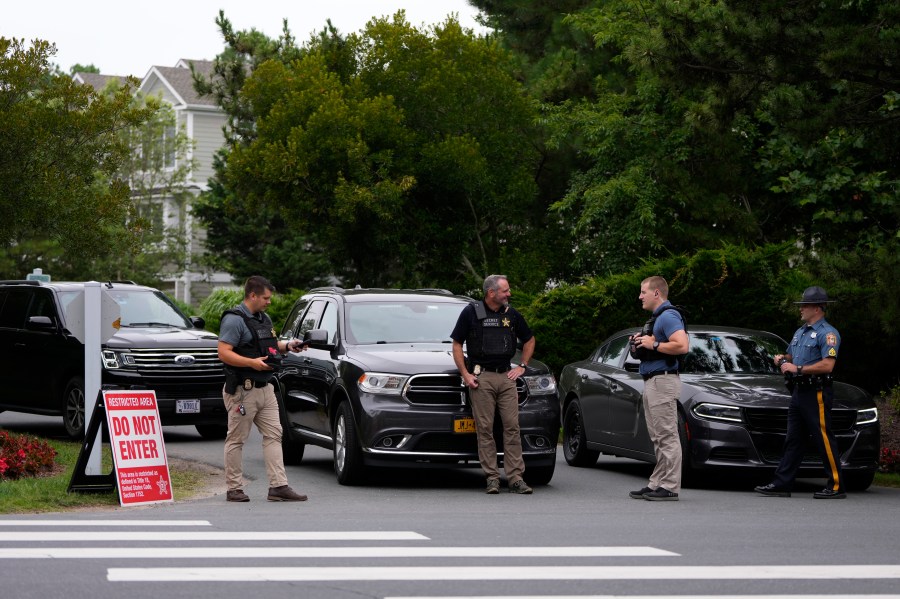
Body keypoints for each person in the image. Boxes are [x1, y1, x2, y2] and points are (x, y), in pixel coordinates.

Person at [217, 275, 308, 502]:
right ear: (253, 295)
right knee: (237, 439)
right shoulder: (234, 319)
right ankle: (234, 489)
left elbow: (267, 346)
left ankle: (278, 486)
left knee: (274, 435)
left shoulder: (262, 318)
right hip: (243, 389)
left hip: (265, 388)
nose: (269, 302)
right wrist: (252, 363)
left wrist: (288, 346)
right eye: (266, 298)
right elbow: (224, 352)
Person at [755, 286, 845, 499]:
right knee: (793, 439)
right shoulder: (800, 331)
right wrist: (784, 360)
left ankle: (836, 485)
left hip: (817, 392)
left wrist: (798, 369)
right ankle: (782, 483)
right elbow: (794, 357)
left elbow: (827, 365)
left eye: (804, 305)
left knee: (823, 437)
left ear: (818, 308)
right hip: (799, 392)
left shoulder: (828, 334)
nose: (801, 309)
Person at [451, 275, 535, 494]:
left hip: (507, 376)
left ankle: (516, 478)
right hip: (482, 377)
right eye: (505, 291)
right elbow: (457, 343)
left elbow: (529, 339)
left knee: (512, 427)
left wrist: (522, 366)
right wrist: (465, 374)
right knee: (485, 429)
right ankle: (492, 478)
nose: (509, 294)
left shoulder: (511, 314)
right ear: (491, 293)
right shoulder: (471, 312)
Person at [628, 276, 689, 501]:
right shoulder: (657, 319)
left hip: (663, 381)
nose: (640, 296)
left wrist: (652, 344)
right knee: (658, 436)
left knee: (667, 435)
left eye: (643, 292)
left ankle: (670, 486)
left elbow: (682, 345)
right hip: (653, 380)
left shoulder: (669, 315)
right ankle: (657, 483)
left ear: (656, 293)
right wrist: (643, 342)